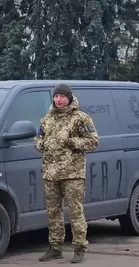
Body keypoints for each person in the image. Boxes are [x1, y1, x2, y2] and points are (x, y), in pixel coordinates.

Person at [34, 83, 99, 264]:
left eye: (62, 96)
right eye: (56, 96)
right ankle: (55, 247)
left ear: (69, 98)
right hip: (51, 173)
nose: (58, 99)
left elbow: (93, 141)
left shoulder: (80, 118)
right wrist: (41, 144)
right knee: (53, 212)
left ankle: (79, 247)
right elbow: (38, 138)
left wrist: (73, 142)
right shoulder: (46, 119)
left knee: (75, 212)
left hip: (72, 173)